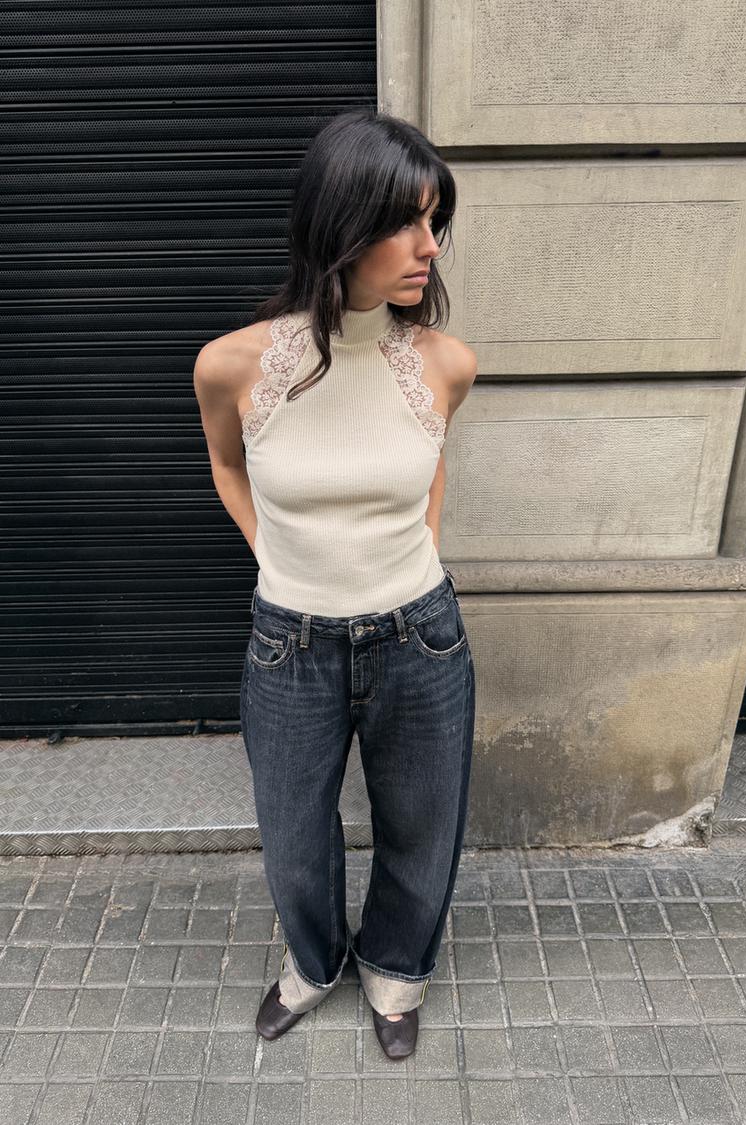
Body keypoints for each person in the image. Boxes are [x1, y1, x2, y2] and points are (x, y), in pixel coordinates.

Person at [193, 108, 477, 1060]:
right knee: (292, 832)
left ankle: (397, 968)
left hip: (421, 637)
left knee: (422, 824)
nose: (429, 247)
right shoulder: (234, 366)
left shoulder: (445, 365)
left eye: (435, 221)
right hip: (292, 643)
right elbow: (227, 466)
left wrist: (418, 550)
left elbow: (429, 465)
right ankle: (315, 965)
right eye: (405, 222)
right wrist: (273, 554)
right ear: (340, 225)